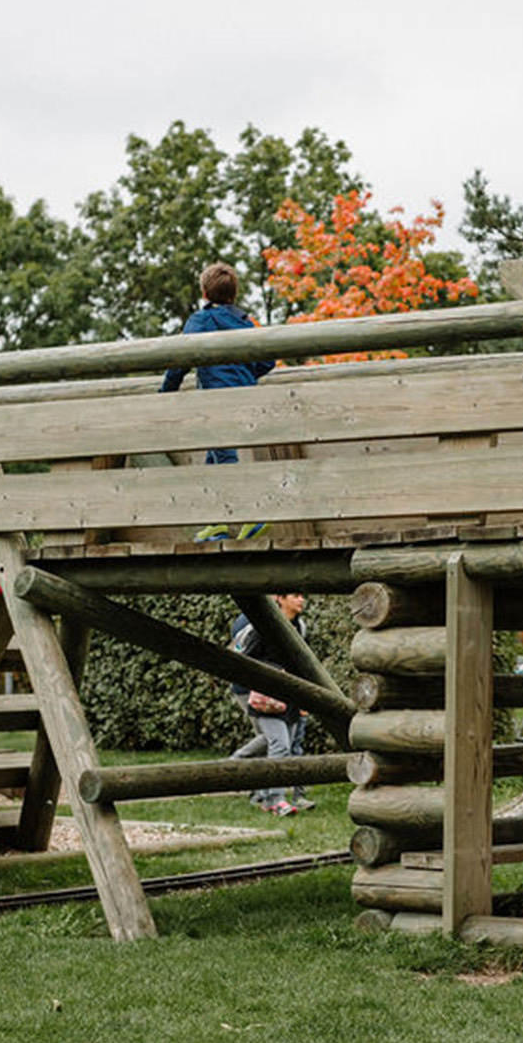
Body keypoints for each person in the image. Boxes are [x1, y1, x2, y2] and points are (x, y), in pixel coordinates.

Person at [160, 261, 276, 541]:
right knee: (215, 458)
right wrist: (247, 373)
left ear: (204, 293)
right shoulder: (246, 321)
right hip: (246, 397)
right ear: (233, 294)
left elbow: (180, 360)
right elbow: (269, 359)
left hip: (216, 400)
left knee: (224, 458)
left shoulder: (201, 320)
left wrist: (166, 393)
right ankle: (216, 523)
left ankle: (251, 515)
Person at [229, 593, 313, 815]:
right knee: (279, 744)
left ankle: (260, 789)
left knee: (280, 742)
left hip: (291, 698)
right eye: (296, 595)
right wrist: (273, 675)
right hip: (265, 697)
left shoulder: (300, 627)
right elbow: (243, 657)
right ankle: (274, 799)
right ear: (280, 599)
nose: (302, 600)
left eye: (303, 595)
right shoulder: (261, 627)